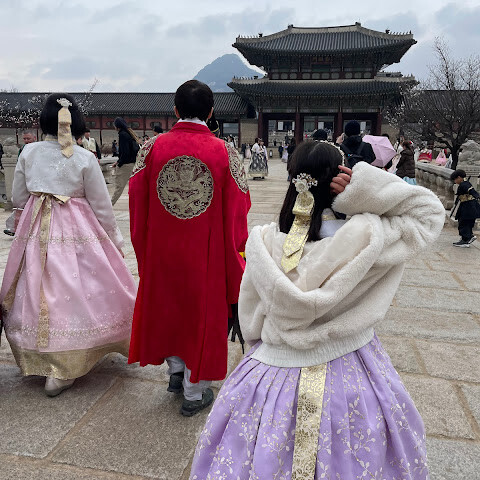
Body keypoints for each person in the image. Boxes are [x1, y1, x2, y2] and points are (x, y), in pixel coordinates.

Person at [190, 140, 445, 479]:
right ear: (340, 178)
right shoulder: (369, 237)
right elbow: (429, 212)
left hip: (273, 366)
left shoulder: (264, 243)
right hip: (351, 362)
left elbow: (249, 322)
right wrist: (365, 188)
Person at [0, 93, 136, 397]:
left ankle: (47, 356)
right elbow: (101, 205)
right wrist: (114, 240)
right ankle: (70, 361)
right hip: (77, 229)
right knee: (76, 286)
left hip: (36, 227)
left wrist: (19, 223)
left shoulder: (29, 152)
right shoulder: (84, 157)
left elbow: (19, 196)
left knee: (38, 287)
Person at [128, 80, 250, 416]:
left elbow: (136, 202)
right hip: (206, 254)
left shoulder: (151, 149)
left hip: (162, 250)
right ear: (211, 112)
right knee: (200, 315)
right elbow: (238, 209)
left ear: (175, 110)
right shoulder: (225, 152)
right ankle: (194, 393)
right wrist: (235, 252)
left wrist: (145, 248)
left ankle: (176, 371)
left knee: (169, 307)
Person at [111, 117, 140, 205]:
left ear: (117, 126)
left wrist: (119, 163)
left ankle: (109, 206)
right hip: (133, 164)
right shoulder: (129, 133)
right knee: (134, 187)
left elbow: (125, 152)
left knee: (118, 188)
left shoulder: (122, 134)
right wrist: (118, 161)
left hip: (126, 166)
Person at [450, 169, 480, 247]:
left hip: (468, 206)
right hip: (466, 205)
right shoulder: (463, 184)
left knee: (464, 222)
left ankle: (467, 238)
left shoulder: (465, 184)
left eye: (455, 179)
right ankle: (466, 238)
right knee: (464, 221)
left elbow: (471, 191)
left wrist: (477, 196)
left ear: (459, 177)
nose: (455, 181)